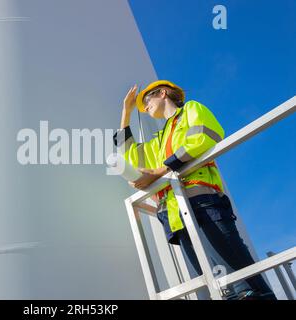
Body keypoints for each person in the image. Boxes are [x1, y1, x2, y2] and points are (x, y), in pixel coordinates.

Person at [113, 80, 277, 300]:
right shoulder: (160, 141)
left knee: (244, 278)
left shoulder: (190, 110)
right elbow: (130, 154)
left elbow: (207, 135)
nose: (146, 106)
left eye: (147, 100)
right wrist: (126, 113)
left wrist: (161, 170)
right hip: (175, 215)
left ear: (162, 93)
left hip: (202, 201)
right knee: (220, 286)